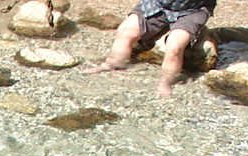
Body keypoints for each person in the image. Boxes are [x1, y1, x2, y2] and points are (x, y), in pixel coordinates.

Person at [82, 0, 217, 97]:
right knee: (125, 31)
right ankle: (112, 63)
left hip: (192, 10)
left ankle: (166, 82)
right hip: (157, 4)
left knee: (174, 47)